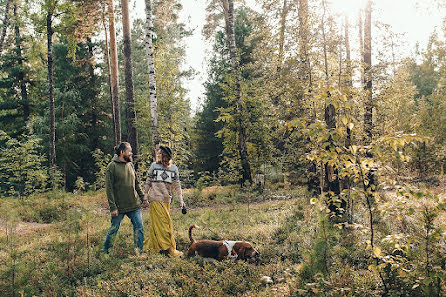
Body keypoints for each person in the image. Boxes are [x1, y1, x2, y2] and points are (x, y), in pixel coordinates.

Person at [102, 142, 149, 255]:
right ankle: (106, 252)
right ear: (122, 152)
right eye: (129, 151)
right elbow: (109, 189)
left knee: (139, 228)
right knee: (113, 229)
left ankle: (139, 252)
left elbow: (136, 184)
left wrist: (143, 198)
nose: (131, 153)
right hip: (119, 207)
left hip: (134, 204)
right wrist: (113, 207)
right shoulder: (112, 167)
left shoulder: (130, 165)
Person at [143, 145, 184, 257]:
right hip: (155, 199)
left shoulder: (174, 168)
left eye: (161, 153)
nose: (159, 155)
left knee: (164, 225)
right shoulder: (154, 166)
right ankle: (167, 249)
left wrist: (181, 200)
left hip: (166, 201)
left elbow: (177, 185)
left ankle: (159, 247)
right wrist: (145, 197)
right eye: (158, 153)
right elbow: (148, 182)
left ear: (166, 155)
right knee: (162, 226)